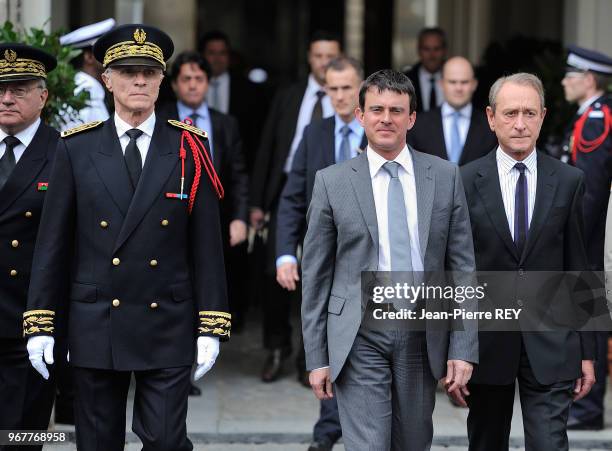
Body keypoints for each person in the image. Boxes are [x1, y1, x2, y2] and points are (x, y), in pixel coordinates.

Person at [24, 24, 229, 451]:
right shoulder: (76, 149)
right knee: (98, 442)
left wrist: (212, 324)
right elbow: (53, 245)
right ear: (107, 79)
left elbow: (206, 246)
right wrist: (42, 321)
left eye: (149, 72)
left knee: (166, 441)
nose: (139, 80)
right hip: (97, 319)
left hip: (166, 323)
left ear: (161, 79)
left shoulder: (189, 147)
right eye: (127, 71)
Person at [301, 69, 477, 451]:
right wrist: (316, 357)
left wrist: (463, 348)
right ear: (360, 115)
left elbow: (462, 270)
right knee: (369, 445)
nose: (385, 118)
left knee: (413, 442)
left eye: (396, 111)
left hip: (421, 332)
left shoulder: (445, 176)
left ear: (411, 118)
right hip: (360, 331)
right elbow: (315, 276)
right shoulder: (332, 182)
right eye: (376, 109)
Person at [461, 72, 596, 451]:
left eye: (529, 113)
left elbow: (579, 268)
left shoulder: (569, 180)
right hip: (486, 346)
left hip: (552, 343)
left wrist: (588, 352)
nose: (520, 124)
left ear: (542, 116)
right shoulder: (465, 180)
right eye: (510, 113)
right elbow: (455, 272)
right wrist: (453, 351)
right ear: (491, 118)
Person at [276, 56, 366, 451]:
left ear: (361, 87)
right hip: (324, 260)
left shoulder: (380, 128)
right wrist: (284, 254)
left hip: (370, 260)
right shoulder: (314, 133)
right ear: (325, 90)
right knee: (330, 345)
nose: (341, 96)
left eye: (348, 87)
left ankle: (354, 430)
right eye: (334, 88)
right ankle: (329, 431)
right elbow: (292, 198)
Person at [250, 30, 341, 384]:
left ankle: (311, 354)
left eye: (330, 56)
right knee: (278, 270)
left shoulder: (349, 100)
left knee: (319, 276)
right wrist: (258, 202)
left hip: (332, 197)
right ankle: (276, 346)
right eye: (318, 56)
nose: (324, 63)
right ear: (309, 58)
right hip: (288, 192)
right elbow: (268, 147)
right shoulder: (288, 96)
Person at [159, 50, 249, 340]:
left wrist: (240, 217)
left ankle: (206, 340)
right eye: (186, 79)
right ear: (174, 85)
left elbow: (238, 175)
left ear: (209, 82)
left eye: (199, 78)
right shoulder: (161, 119)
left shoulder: (226, 123)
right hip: (170, 217)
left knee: (209, 281)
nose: (193, 85)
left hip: (215, 217)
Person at [0, 43, 58, 451]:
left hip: (29, 325)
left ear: (43, 96)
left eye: (19, 89)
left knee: (22, 439)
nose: (6, 98)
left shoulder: (67, 153)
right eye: (1, 89)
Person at [560, 45, 612, 430]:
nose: (564, 81)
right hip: (587, 241)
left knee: (589, 317)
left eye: (571, 75)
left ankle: (588, 408)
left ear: (588, 80)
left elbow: (591, 191)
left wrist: (574, 240)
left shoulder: (596, 119)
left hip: (588, 243)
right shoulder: (588, 116)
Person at [408, 56, 496, 164]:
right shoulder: (418, 125)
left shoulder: (490, 126)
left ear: (474, 84)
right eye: (452, 82)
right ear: (441, 83)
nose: (458, 88)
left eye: (464, 82)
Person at [199, 30, 266, 171]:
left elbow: (254, 134)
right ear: (202, 56)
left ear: (229, 56)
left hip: (236, 167)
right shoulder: (191, 86)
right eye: (212, 53)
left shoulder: (249, 90)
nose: (217, 58)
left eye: (222, 53)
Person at [59, 18, 115, 129]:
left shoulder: (81, 87)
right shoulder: (88, 91)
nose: (114, 57)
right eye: (108, 52)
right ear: (89, 57)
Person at [404, 27, 447, 112]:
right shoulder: (405, 81)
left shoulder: (455, 79)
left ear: (444, 50)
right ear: (419, 50)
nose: (432, 55)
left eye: (436, 49)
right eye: (426, 49)